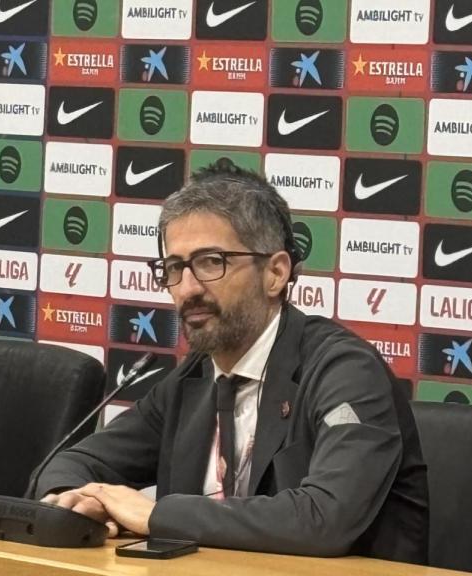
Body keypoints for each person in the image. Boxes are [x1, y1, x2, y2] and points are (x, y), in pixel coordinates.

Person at [37, 163, 428, 563]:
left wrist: (156, 515)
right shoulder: (195, 377)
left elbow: (326, 518)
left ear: (275, 273)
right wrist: (75, 502)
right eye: (174, 268)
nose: (187, 289)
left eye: (211, 262)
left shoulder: (343, 371)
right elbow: (74, 462)